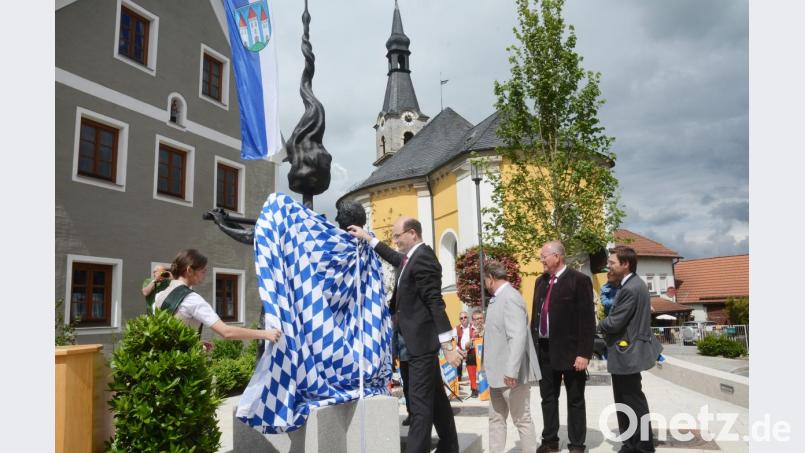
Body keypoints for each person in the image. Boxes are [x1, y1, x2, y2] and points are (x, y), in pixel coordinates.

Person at [348, 217, 464, 453]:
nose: (396, 240)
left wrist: (448, 345)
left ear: (412, 233)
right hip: (409, 343)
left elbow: (435, 302)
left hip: (420, 344)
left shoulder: (424, 259)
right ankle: (450, 447)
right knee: (437, 401)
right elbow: (394, 257)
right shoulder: (411, 258)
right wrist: (369, 239)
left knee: (419, 407)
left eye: (398, 236)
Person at [530, 240, 596, 453]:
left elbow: (587, 320)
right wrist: (533, 350)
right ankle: (550, 441)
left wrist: (584, 353)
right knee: (547, 398)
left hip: (571, 353)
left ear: (557, 257)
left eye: (544, 256)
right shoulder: (540, 282)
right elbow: (535, 317)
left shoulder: (579, 280)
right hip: (544, 350)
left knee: (575, 399)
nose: (541, 260)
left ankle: (577, 444)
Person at [598, 246, 663, 453]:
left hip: (628, 353)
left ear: (625, 264)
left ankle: (643, 447)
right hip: (626, 353)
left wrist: (595, 325)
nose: (608, 266)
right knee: (625, 400)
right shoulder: (632, 284)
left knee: (632, 400)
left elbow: (615, 322)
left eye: (612, 263)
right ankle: (631, 443)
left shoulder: (630, 288)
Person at [155, 249, 282, 345]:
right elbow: (226, 332)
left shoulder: (160, 295)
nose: (205, 275)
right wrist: (265, 334)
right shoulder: (191, 299)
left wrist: (193, 344)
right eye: (203, 271)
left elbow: (169, 333)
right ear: (189, 270)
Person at [483, 260, 541, 453]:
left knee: (521, 419)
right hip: (496, 376)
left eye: (484, 279)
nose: (484, 283)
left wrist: (511, 371)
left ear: (490, 278)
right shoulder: (498, 299)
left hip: (511, 376)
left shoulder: (511, 297)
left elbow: (517, 337)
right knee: (496, 419)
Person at [453, 311, 479, 397]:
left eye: (465, 317)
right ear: (459, 320)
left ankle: (474, 388)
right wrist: (460, 351)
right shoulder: (456, 329)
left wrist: (467, 351)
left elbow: (475, 341)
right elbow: (453, 343)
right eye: (461, 318)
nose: (463, 319)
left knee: (471, 358)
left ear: (468, 318)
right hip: (460, 351)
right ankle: (456, 384)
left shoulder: (473, 327)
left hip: (471, 351)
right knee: (455, 359)